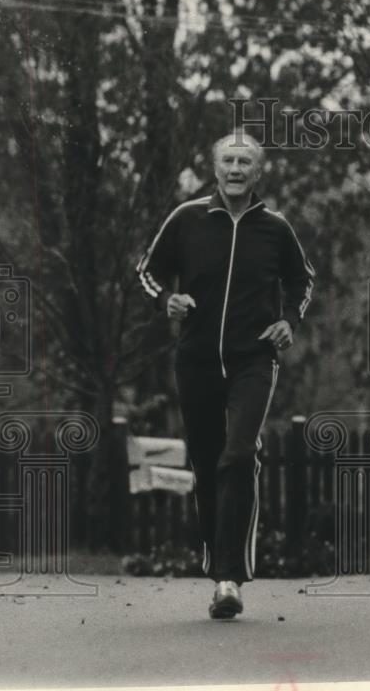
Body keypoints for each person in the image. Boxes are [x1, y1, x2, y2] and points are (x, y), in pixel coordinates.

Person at [136, 131, 315, 619]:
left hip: (253, 359)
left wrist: (289, 322)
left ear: (258, 172)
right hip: (195, 359)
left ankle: (229, 578)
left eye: (246, 162)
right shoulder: (187, 219)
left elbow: (302, 280)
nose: (236, 169)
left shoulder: (275, 228)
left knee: (239, 454)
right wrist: (164, 301)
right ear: (215, 169)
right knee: (208, 460)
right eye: (228, 161)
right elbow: (149, 271)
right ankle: (218, 565)